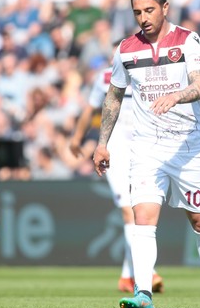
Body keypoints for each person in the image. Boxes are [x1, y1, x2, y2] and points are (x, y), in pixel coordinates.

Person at [92, 0, 200, 308]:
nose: (144, 17)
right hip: (147, 148)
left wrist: (177, 95)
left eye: (150, 9)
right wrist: (102, 143)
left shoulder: (187, 40)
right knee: (143, 219)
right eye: (138, 11)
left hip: (188, 147)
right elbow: (113, 97)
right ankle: (144, 294)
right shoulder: (126, 49)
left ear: (165, 8)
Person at [69, 54, 164, 294]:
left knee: (142, 211)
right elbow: (90, 109)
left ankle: (126, 276)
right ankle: (147, 272)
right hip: (117, 148)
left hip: (145, 146)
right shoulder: (105, 78)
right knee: (128, 210)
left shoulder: (150, 74)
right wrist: (78, 138)